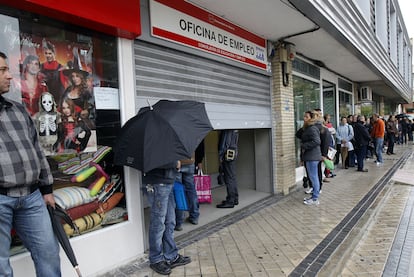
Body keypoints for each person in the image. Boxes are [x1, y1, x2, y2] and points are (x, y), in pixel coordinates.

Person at [0, 51, 61, 276]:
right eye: (3, 70)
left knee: (48, 253)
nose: (9, 76)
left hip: (32, 197)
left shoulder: (17, 110)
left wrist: (47, 189)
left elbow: (37, 150)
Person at [142, 161, 191, 275]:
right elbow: (153, 161)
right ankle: (155, 259)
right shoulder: (154, 143)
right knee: (158, 223)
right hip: (157, 182)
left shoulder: (165, 143)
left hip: (168, 181)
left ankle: (171, 256)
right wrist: (174, 163)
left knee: (170, 221)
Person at [174, 151, 200, 231]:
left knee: (178, 192)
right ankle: (194, 216)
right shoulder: (190, 137)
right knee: (191, 191)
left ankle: (179, 222)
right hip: (190, 160)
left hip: (177, 162)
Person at [301, 111, 322, 205]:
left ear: (311, 118)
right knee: (313, 177)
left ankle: (315, 199)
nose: (304, 118)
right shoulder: (309, 127)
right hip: (311, 156)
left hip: (312, 157)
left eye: (306, 117)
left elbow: (317, 141)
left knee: (314, 178)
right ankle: (314, 196)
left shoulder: (312, 128)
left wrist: (304, 145)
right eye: (304, 116)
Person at [216, 129, 239, 208]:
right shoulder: (234, 128)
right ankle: (234, 198)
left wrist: (221, 155)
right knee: (232, 177)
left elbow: (226, 143)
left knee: (229, 178)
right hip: (232, 153)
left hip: (227, 155)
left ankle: (230, 201)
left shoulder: (228, 128)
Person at [40, 39, 66, 105]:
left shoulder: (60, 67)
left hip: (57, 100)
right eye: (46, 53)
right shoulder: (41, 67)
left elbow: (62, 86)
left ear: (54, 54)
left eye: (50, 53)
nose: (48, 56)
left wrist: (60, 103)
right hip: (44, 100)